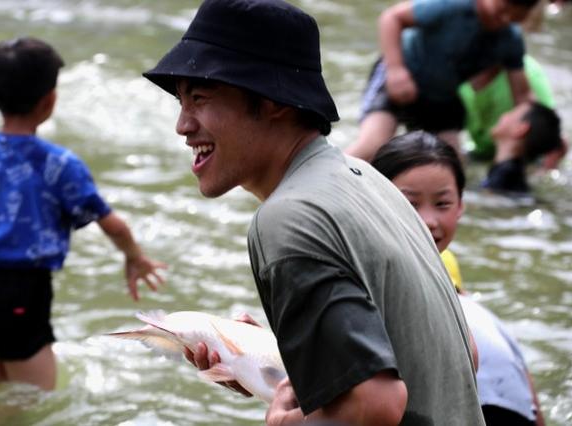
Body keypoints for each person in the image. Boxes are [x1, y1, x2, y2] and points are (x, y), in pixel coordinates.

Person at [143, 0, 484, 424]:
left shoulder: (288, 219)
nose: (183, 124)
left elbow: (375, 405)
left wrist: (286, 422)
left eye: (200, 98)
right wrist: (285, 361)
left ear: (274, 102)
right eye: (181, 101)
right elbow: (463, 352)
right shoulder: (369, 179)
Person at [0, 37, 166, 391]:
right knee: (33, 397)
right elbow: (113, 224)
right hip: (22, 295)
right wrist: (135, 257)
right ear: (50, 101)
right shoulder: (58, 164)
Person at [371, 130, 546, 426]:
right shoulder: (395, 267)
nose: (428, 221)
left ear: (461, 205)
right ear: (371, 202)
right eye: (410, 204)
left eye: (442, 204)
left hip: (494, 405)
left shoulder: (417, 269)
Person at [345, 0, 539, 162]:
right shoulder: (451, 6)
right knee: (372, 146)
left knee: (451, 164)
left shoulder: (510, 40)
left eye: (515, 18)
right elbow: (391, 17)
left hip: (441, 97)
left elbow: (522, 95)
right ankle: (326, 183)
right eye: (501, 11)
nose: (504, 20)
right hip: (401, 75)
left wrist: (547, 130)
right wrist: (396, 70)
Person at [480, 100, 562, 193]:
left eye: (511, 113)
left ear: (520, 129)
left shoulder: (504, 178)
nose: (504, 115)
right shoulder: (510, 174)